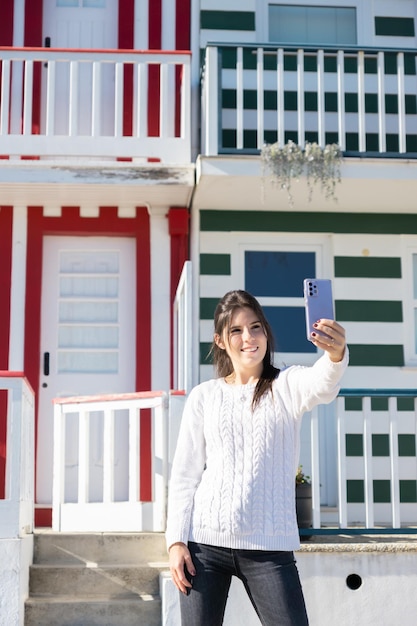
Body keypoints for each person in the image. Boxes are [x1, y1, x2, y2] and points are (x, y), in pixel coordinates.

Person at [166, 289, 348, 626]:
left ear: (266, 331)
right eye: (236, 330)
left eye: (255, 327)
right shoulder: (204, 397)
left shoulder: (287, 385)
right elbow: (185, 475)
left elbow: (323, 383)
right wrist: (176, 541)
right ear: (220, 340)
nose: (248, 337)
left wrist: (335, 355)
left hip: (268, 548)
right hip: (203, 546)